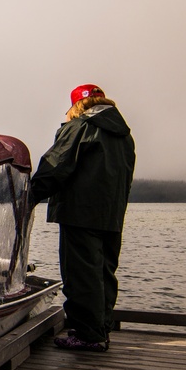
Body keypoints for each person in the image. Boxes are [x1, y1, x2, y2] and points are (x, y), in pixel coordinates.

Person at [31, 84, 135, 352]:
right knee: (103, 273)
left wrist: (29, 197)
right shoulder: (124, 136)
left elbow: (55, 166)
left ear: (77, 105)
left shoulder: (81, 127)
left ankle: (88, 336)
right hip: (111, 216)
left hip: (79, 213)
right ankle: (100, 329)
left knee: (81, 276)